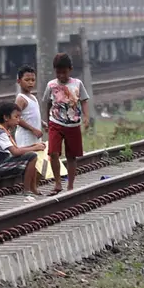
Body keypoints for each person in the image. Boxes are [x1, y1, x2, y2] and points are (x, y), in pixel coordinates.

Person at [42, 52, 90, 195]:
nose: (61, 76)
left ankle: (70, 185)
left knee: (71, 156)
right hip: (55, 122)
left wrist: (86, 117)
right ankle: (57, 184)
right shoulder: (51, 85)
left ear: (70, 69)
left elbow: (84, 100)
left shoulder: (77, 84)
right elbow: (47, 103)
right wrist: (47, 121)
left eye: (64, 72)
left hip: (73, 124)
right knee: (53, 153)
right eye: (58, 72)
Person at [0, 102, 45, 195]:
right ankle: (27, 190)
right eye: (16, 117)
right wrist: (35, 148)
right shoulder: (0, 133)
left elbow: (17, 149)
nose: (18, 120)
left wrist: (34, 146)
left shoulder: (3, 131)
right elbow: (16, 152)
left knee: (30, 155)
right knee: (32, 156)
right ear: (6, 118)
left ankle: (32, 188)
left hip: (3, 163)